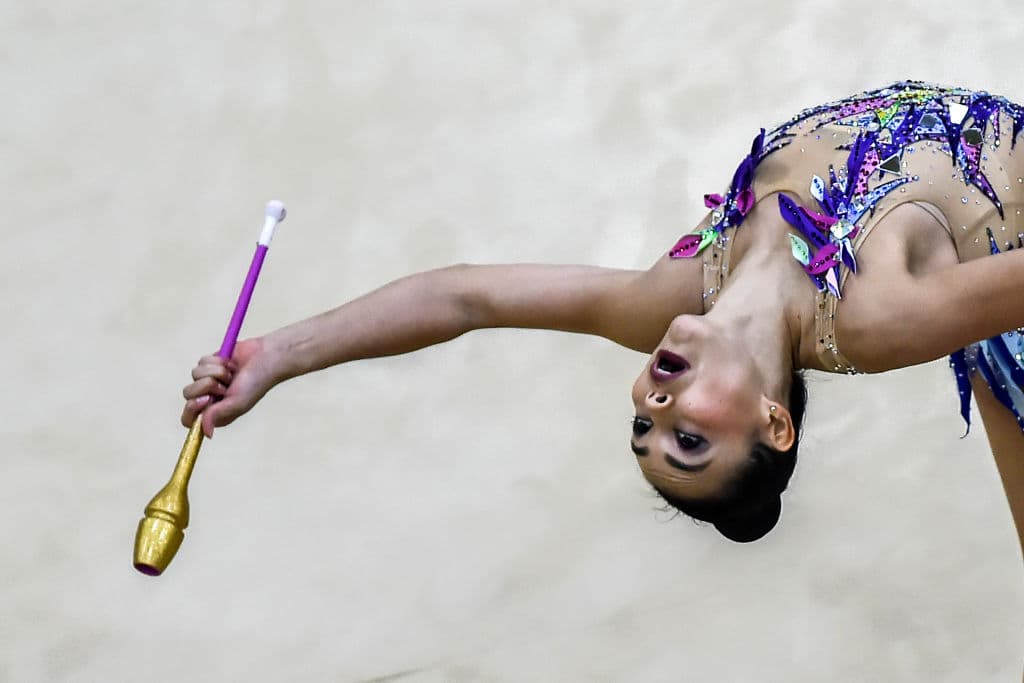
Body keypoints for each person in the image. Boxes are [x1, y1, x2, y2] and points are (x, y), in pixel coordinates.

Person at [181, 80, 1024, 550]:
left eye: (641, 430)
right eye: (687, 440)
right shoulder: (877, 318)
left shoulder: (676, 293)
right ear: (774, 422)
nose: (653, 412)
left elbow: (467, 296)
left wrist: (276, 357)